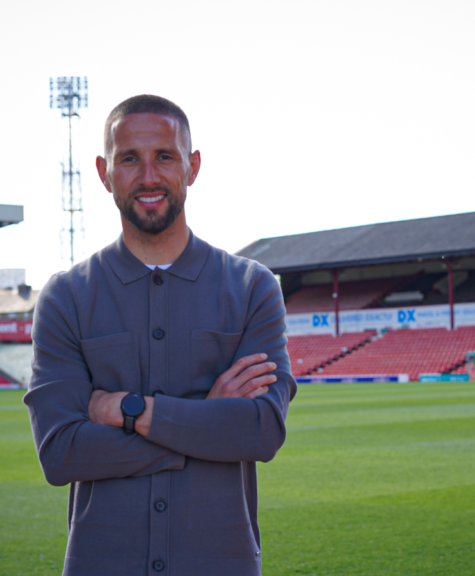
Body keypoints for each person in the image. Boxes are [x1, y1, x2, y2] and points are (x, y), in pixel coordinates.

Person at [24, 94, 296, 576]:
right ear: (104, 172)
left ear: (192, 166)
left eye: (164, 157)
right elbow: (61, 455)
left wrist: (131, 411)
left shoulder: (253, 287)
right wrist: (206, 419)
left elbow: (261, 432)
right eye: (129, 159)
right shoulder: (65, 297)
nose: (148, 177)